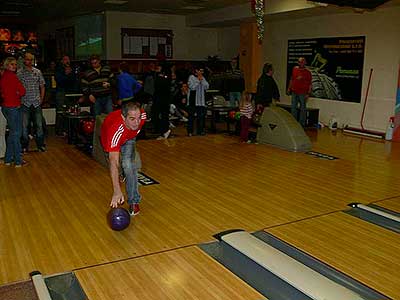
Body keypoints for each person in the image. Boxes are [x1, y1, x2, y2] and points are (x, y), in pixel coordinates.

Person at [101, 101, 146, 216]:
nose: (137, 123)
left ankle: (134, 201)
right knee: (116, 166)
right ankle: (122, 176)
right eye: (132, 119)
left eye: (138, 118)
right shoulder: (115, 131)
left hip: (129, 137)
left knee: (129, 166)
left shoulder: (142, 116)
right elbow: (113, 162)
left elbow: (137, 122)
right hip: (111, 138)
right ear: (123, 117)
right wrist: (116, 191)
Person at [0, 57, 26, 167]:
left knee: (12, 133)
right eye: (12, 64)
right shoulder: (13, 77)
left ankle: (7, 159)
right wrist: (17, 92)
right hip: (14, 107)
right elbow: (23, 91)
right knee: (16, 134)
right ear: (7, 65)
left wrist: (16, 92)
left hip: (6, 107)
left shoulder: (3, 76)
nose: (14, 66)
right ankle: (18, 160)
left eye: (15, 64)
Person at [17, 52, 46, 152]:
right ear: (24, 60)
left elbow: (42, 86)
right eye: (27, 59)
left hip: (37, 103)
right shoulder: (19, 73)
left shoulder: (37, 72)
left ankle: (40, 145)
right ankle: (24, 146)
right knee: (24, 126)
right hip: (25, 103)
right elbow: (16, 88)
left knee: (39, 125)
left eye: (31, 59)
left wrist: (41, 99)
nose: (29, 61)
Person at [287, 57, 312, 127]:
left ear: (305, 63)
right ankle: (293, 122)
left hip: (303, 92)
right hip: (294, 91)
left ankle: (301, 124)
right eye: (299, 62)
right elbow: (291, 79)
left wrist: (308, 93)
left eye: (302, 62)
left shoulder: (308, 72)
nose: (300, 63)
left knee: (303, 108)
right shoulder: (295, 69)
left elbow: (310, 83)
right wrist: (289, 88)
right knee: (293, 107)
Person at [187, 66, 209, 136]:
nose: (202, 72)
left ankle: (200, 131)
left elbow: (207, 86)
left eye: (202, 71)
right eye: (200, 71)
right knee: (191, 117)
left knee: (201, 117)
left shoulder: (203, 78)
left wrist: (202, 80)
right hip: (193, 100)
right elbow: (192, 87)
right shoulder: (191, 77)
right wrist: (198, 81)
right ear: (196, 70)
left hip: (201, 101)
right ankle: (190, 131)